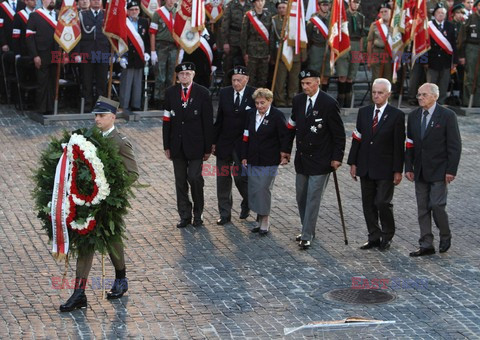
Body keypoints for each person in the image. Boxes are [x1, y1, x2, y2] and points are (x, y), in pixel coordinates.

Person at [60, 96, 139, 312]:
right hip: (88, 202)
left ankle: (121, 278)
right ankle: (79, 293)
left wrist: (110, 190)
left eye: (102, 116)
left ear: (113, 117)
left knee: (113, 240)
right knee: (86, 243)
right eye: (96, 115)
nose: (97, 119)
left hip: (109, 203)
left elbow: (133, 173)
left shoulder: (121, 142)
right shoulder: (90, 138)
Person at [286, 69, 346, 249]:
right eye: (303, 84)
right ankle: (308, 227)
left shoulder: (328, 103)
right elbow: (292, 126)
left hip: (322, 159)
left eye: (309, 83)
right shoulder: (298, 101)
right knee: (301, 196)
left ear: (318, 82)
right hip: (303, 158)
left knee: (313, 197)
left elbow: (339, 134)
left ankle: (306, 235)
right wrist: (285, 150)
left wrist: (337, 157)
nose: (305, 87)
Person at [347, 78, 405, 251]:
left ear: (388, 94)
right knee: (368, 204)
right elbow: (357, 138)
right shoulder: (364, 112)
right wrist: (353, 162)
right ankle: (374, 235)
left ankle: (387, 235)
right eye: (374, 92)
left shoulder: (396, 115)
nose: (376, 96)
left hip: (386, 168)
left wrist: (398, 170)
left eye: (380, 93)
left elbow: (398, 145)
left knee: (382, 202)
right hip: (365, 165)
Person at [405, 83, 461, 256]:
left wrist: (451, 170)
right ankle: (426, 244)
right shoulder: (414, 116)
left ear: (435, 97)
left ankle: (445, 235)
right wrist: (409, 166)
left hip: (439, 169)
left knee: (436, 205)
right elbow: (410, 144)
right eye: (419, 94)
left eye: (424, 95)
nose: (420, 98)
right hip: (420, 169)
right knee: (422, 208)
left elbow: (454, 145)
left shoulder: (447, 116)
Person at [162, 62, 214, 228]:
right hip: (177, 145)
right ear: (177, 76)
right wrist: (166, 145)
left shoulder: (202, 93)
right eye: (181, 74)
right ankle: (184, 214)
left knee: (194, 177)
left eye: (188, 74)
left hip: (196, 145)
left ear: (193, 75)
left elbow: (207, 122)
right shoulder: (170, 93)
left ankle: (198, 212)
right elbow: (166, 121)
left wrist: (208, 148)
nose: (184, 77)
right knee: (180, 181)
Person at [241, 88, 290, 235]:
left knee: (263, 188)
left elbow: (284, 137)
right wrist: (244, 155)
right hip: (253, 158)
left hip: (269, 159)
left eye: (262, 102)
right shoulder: (250, 115)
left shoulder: (277, 116)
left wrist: (285, 155)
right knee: (254, 189)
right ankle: (260, 219)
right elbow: (245, 136)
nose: (259, 106)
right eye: (257, 103)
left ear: (270, 101)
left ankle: (265, 220)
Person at [213, 66, 255, 225]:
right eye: (233, 80)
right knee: (222, 179)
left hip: (243, 145)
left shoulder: (254, 94)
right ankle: (224, 213)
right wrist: (213, 142)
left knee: (240, 178)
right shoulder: (224, 93)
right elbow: (219, 120)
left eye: (239, 80)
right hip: (224, 142)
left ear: (247, 79)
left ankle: (248, 202)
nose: (236, 83)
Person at [76, 0, 110, 112]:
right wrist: (78, 53)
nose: (96, 1)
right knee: (87, 81)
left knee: (102, 82)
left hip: (103, 52)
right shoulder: (82, 15)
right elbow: (77, 35)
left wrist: (112, 53)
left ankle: (101, 107)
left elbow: (112, 35)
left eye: (98, 0)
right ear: (90, 2)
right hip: (87, 52)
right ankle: (87, 106)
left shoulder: (107, 14)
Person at [270, 0, 305, 107]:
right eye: (279, 8)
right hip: (281, 55)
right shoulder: (274, 20)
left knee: (294, 81)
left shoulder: (296, 19)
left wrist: (303, 54)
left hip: (295, 55)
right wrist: (272, 56)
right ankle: (279, 101)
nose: (281, 9)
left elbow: (302, 36)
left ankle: (292, 100)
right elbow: (272, 39)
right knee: (280, 80)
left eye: (284, 7)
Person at [26, 0, 57, 114]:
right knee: (42, 83)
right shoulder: (34, 15)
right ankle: (42, 109)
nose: (52, 1)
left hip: (56, 54)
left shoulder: (60, 15)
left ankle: (51, 108)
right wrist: (35, 55)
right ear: (43, 1)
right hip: (41, 54)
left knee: (53, 82)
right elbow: (29, 37)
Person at [118, 1, 150, 112]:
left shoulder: (144, 21)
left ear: (139, 11)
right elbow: (120, 40)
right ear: (127, 11)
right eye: (132, 9)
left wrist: (147, 53)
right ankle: (124, 105)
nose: (134, 11)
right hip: (127, 55)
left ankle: (136, 105)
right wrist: (121, 56)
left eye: (136, 9)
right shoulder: (123, 21)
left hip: (139, 56)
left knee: (137, 82)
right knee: (126, 82)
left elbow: (146, 39)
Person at [335, 0, 365, 107]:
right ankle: (340, 99)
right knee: (342, 74)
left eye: (358, 3)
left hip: (356, 44)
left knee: (351, 75)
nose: (356, 5)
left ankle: (348, 100)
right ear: (349, 3)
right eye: (354, 2)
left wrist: (360, 51)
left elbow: (362, 36)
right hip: (344, 44)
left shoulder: (361, 17)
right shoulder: (343, 14)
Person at [426, 4, 457, 104]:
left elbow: (453, 44)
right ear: (434, 14)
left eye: (443, 13)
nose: (440, 15)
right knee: (431, 83)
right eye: (438, 12)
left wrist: (455, 60)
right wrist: (424, 60)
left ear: (446, 14)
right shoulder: (428, 25)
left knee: (443, 83)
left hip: (446, 59)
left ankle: (441, 102)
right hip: (432, 59)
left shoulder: (450, 26)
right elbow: (424, 44)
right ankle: (429, 102)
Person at [149, 0, 176, 109]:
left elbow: (181, 32)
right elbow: (152, 33)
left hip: (174, 47)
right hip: (161, 46)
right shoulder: (158, 13)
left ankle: (169, 100)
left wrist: (182, 50)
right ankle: (158, 100)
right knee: (160, 76)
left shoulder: (178, 13)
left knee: (171, 76)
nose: (171, 1)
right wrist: (153, 51)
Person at [240, 0, 272, 88]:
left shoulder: (268, 15)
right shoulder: (249, 15)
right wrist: (244, 53)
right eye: (258, 1)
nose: (260, 3)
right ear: (254, 3)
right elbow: (244, 35)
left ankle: (261, 99)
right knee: (251, 78)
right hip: (251, 52)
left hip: (265, 52)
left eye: (262, 1)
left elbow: (271, 35)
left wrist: (270, 52)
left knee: (263, 78)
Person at [221, 0, 251, 85]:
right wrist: (225, 42)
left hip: (247, 41)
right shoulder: (230, 5)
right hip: (233, 39)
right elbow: (225, 24)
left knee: (247, 65)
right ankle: (227, 87)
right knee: (229, 65)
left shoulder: (251, 5)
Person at [458, 0, 480, 107]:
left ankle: (477, 102)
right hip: (472, 48)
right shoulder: (470, 19)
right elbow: (462, 37)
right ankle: (468, 102)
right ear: (477, 6)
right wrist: (462, 55)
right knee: (470, 76)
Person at [306, 0, 331, 91]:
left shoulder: (332, 18)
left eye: (327, 5)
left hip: (328, 48)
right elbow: (308, 36)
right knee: (314, 73)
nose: (325, 7)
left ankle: (324, 94)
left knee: (326, 74)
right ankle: (313, 92)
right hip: (316, 48)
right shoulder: (313, 19)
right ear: (319, 6)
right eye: (323, 5)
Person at [367, 3, 392, 82]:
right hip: (377, 53)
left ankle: (387, 94)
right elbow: (370, 42)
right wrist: (369, 58)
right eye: (381, 12)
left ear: (390, 12)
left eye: (386, 11)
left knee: (388, 78)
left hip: (390, 54)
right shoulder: (374, 25)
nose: (384, 13)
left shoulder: (395, 25)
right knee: (376, 78)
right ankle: (374, 94)